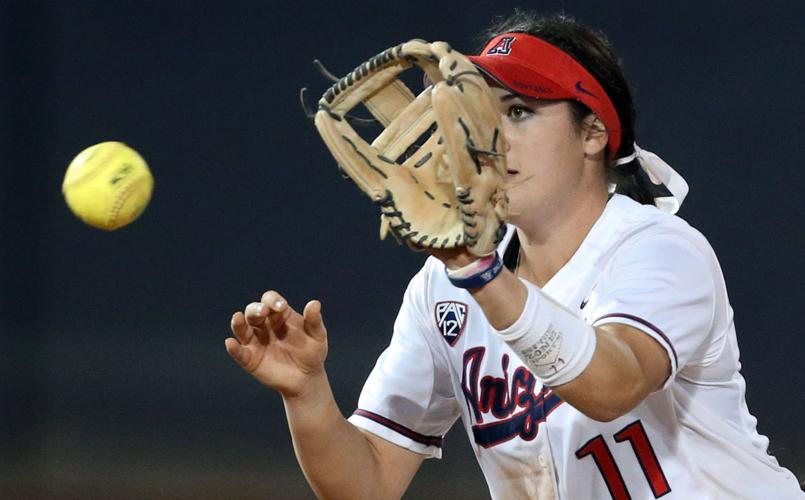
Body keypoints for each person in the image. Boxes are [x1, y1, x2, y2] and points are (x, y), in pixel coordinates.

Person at [225, 11, 804, 499]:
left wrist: (478, 272)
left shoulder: (658, 249)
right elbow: (369, 480)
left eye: (520, 111)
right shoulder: (443, 287)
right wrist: (307, 394)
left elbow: (612, 387)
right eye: (481, 112)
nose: (490, 137)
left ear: (593, 134)